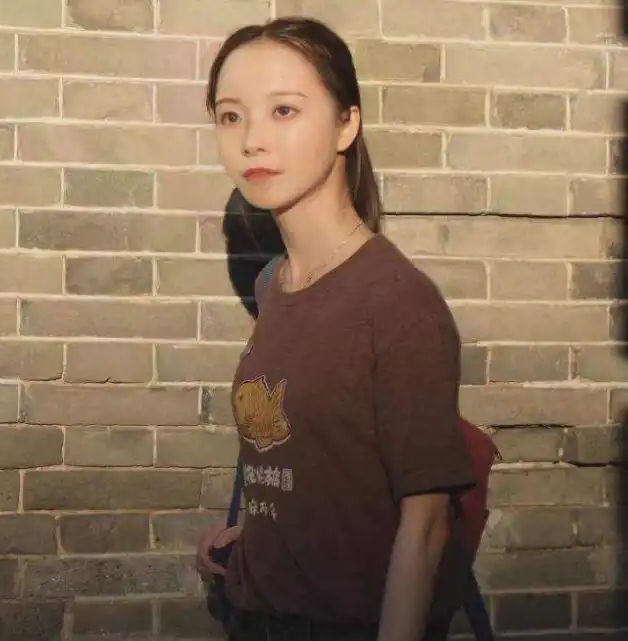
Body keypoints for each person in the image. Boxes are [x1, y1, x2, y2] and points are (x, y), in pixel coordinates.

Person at [194, 17, 478, 641]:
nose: (253, 140)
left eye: (284, 110)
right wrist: (251, 546)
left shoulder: (397, 303)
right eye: (231, 116)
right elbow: (320, 469)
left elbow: (426, 526)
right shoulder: (274, 285)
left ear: (346, 123)